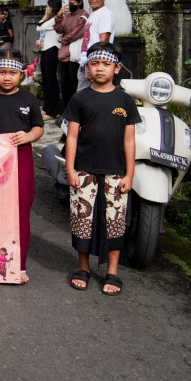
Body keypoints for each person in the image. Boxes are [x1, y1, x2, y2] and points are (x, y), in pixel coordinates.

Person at [63, 42, 140, 296]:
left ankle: (112, 271)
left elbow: (129, 140)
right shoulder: (79, 98)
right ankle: (83, 267)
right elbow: (72, 136)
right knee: (82, 221)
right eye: (94, 63)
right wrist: (70, 170)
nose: (99, 68)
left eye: (106, 64)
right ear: (87, 67)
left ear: (116, 68)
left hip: (116, 172)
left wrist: (129, 174)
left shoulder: (125, 100)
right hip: (84, 171)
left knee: (115, 223)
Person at [0, 49, 44, 285]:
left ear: (21, 74)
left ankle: (18, 264)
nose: (7, 77)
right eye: (1, 72)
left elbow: (38, 127)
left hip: (21, 157)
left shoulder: (28, 100)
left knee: (20, 210)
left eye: (12, 73)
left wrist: (29, 136)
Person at [77, 0, 116, 91]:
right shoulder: (94, 14)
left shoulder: (105, 14)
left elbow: (103, 42)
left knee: (92, 95)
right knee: (82, 96)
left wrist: (94, 65)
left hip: (94, 62)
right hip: (86, 61)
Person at [54, 0, 88, 112]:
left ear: (79, 3)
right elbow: (59, 29)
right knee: (64, 86)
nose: (69, 4)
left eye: (71, 2)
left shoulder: (83, 16)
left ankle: (72, 112)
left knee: (72, 85)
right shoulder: (67, 16)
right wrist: (59, 16)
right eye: (67, 2)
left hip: (75, 56)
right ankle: (65, 112)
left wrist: (63, 39)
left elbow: (76, 34)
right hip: (64, 54)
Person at [36, 0, 62, 120]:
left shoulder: (57, 19)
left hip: (53, 49)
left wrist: (45, 16)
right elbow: (41, 29)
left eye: (48, 6)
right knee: (45, 80)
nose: (46, 8)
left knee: (51, 80)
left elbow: (39, 27)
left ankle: (54, 111)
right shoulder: (52, 20)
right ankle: (47, 107)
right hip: (46, 49)